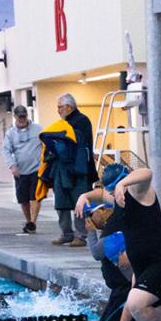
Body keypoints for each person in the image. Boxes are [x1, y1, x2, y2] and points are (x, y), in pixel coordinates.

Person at [75, 163, 161, 321]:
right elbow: (100, 195)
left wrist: (124, 183)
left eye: (115, 187)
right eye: (111, 189)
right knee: (159, 312)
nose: (113, 192)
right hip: (141, 265)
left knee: (137, 304)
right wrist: (83, 196)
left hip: (160, 260)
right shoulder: (117, 196)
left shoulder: (139, 191)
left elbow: (147, 172)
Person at [52, 93, 95, 247]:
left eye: (60, 107)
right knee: (61, 202)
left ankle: (81, 235)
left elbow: (76, 142)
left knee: (79, 202)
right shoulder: (63, 123)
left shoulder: (81, 121)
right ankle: (66, 233)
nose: (58, 110)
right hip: (63, 168)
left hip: (79, 169)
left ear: (69, 107)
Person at [1, 105, 43, 234]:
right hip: (20, 171)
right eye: (19, 117)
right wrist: (12, 165)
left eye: (24, 116)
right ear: (15, 117)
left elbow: (46, 144)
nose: (22, 119)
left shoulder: (38, 129)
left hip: (36, 169)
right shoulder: (10, 134)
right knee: (23, 199)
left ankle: (33, 222)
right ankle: (28, 220)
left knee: (35, 196)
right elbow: (6, 150)